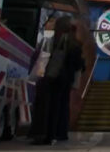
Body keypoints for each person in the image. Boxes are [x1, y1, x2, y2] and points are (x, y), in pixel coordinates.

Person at [32, 15, 85, 145]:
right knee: (62, 105)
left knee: (48, 105)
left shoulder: (53, 40)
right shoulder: (75, 43)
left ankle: (46, 134)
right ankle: (60, 133)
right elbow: (80, 64)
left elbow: (42, 56)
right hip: (66, 79)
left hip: (51, 76)